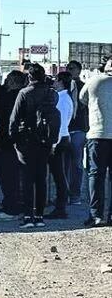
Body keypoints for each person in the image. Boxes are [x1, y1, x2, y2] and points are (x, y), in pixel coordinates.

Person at [9, 64, 61, 229]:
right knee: (41, 179)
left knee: (27, 179)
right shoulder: (52, 94)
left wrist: (14, 139)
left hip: (26, 142)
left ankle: (27, 216)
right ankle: (39, 216)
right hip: (45, 142)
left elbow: (14, 119)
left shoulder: (24, 93)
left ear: (29, 77)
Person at [0, 70, 27, 221]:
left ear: (12, 82)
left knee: (8, 177)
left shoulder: (9, 99)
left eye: (8, 80)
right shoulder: (22, 96)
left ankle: (12, 209)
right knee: (18, 177)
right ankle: (16, 206)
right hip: (20, 144)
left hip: (5, 144)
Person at [81, 59, 112, 227]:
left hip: (98, 134)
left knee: (96, 175)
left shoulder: (94, 81)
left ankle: (96, 215)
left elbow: (82, 99)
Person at [47, 71, 74, 219]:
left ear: (61, 82)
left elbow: (60, 123)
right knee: (60, 174)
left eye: (56, 80)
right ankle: (60, 205)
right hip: (63, 138)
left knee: (59, 175)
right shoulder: (64, 98)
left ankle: (60, 207)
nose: (54, 82)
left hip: (60, 139)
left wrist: (53, 144)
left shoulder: (62, 100)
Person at [66, 60, 87, 205]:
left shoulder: (84, 87)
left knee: (76, 163)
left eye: (72, 68)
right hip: (64, 129)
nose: (69, 70)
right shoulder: (62, 86)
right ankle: (64, 193)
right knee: (64, 164)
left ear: (79, 71)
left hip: (78, 128)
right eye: (67, 68)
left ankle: (75, 194)